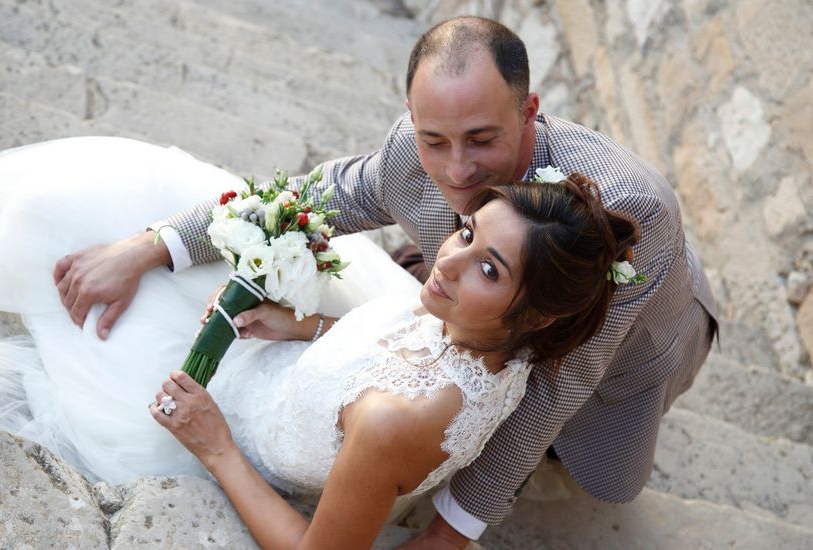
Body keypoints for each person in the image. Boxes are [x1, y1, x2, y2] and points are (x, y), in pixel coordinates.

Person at [49, 16, 718, 547]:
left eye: (482, 138)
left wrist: (449, 531)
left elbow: (559, 382)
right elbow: (305, 200)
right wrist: (150, 247)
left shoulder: (636, 206)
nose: (456, 172)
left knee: (602, 475)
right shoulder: (413, 153)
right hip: (486, 328)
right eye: (434, 140)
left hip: (637, 344)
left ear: (529, 111)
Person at [0, 132, 639, 547]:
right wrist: (310, 326)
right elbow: (401, 356)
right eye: (467, 230)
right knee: (98, 208)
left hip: (243, 437)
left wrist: (215, 445)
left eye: (487, 266)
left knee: (45, 269)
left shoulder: (396, 423)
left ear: (537, 312)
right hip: (289, 361)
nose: (445, 262)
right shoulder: (489, 339)